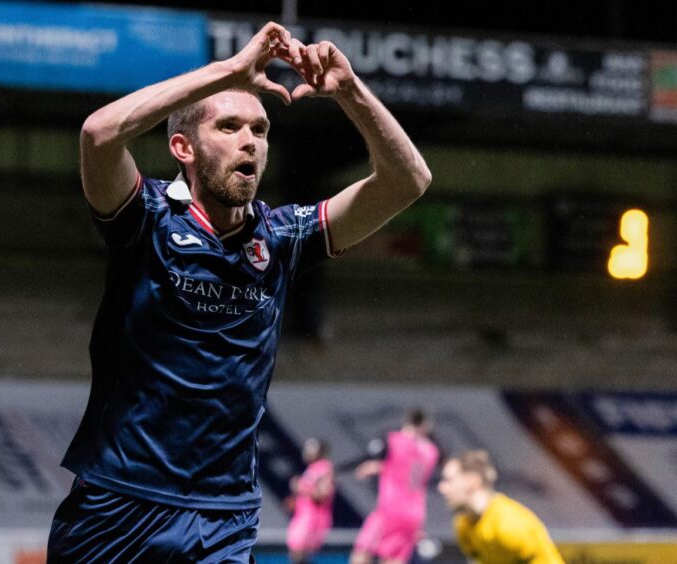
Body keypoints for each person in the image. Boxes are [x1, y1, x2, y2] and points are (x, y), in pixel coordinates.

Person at [48, 20, 431, 562]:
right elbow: (98, 134)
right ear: (183, 146)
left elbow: (407, 182)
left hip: (223, 515)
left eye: (260, 129)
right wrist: (229, 71)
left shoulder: (283, 235)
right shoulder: (146, 219)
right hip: (118, 504)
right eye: (228, 126)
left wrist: (350, 91)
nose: (250, 140)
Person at [437, 450, 565, 564]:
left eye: (449, 480)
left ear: (473, 481)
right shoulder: (463, 524)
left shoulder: (508, 524)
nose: (441, 488)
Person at [350, 408, 439, 564]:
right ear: (426, 426)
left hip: (389, 509)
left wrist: (374, 465)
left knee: (362, 550)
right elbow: (406, 468)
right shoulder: (432, 451)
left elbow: (382, 454)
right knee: (395, 557)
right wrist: (381, 467)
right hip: (414, 513)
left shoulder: (395, 440)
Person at [286, 438, 335, 564]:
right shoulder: (312, 469)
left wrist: (300, 487)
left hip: (313, 520)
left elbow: (323, 494)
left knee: (301, 556)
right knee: (297, 555)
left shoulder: (324, 468)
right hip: (304, 517)